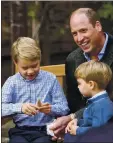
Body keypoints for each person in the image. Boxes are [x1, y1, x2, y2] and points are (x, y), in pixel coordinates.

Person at [50, 7, 113, 140]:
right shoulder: (73, 59)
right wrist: (70, 123)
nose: (79, 38)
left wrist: (74, 117)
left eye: (83, 30)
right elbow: (74, 102)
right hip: (86, 123)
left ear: (98, 26)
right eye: (74, 33)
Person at [2, 37, 70, 143]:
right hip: (20, 132)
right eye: (25, 68)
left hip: (44, 131)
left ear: (39, 59)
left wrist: (50, 109)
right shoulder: (12, 83)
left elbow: (64, 108)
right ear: (16, 63)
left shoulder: (50, 79)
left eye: (34, 66)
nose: (30, 71)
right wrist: (20, 107)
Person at [64, 60, 113, 141]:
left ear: (91, 84)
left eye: (79, 83)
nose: (78, 87)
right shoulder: (96, 101)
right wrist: (78, 121)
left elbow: (98, 132)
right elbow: (90, 120)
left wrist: (77, 130)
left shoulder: (101, 106)